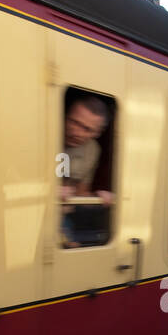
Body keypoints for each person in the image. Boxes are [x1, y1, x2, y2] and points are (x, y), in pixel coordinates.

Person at [60, 95, 112, 248]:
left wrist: (98, 198)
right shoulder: (43, 132)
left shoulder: (92, 150)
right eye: (73, 122)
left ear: (97, 133)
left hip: (62, 219)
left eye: (87, 129)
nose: (76, 132)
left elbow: (81, 192)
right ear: (65, 116)